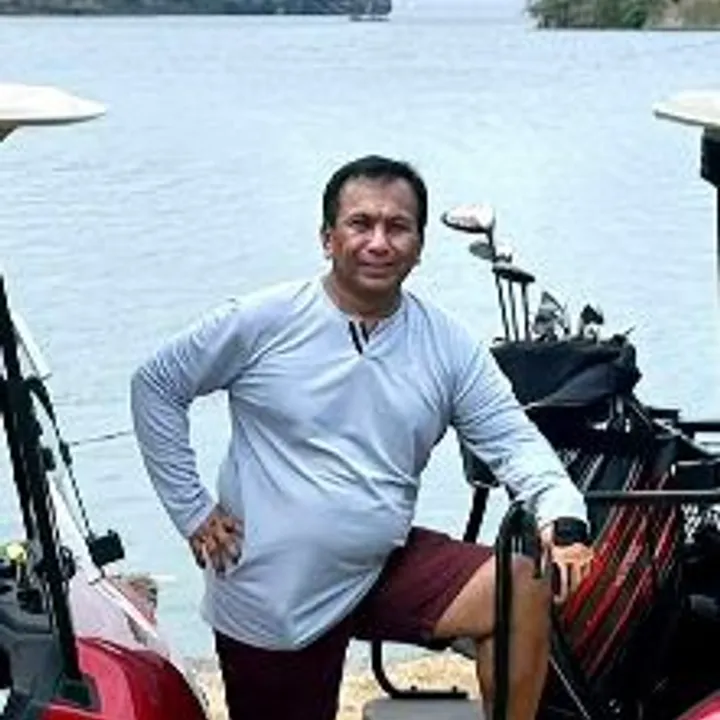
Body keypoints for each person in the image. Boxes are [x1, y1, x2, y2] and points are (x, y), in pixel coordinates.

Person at [130, 155, 594, 720]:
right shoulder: (260, 320)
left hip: (380, 565)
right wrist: (192, 510)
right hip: (273, 588)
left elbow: (513, 442)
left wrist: (561, 513)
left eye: (398, 227)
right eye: (360, 224)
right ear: (328, 238)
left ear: (419, 247)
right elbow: (156, 385)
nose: (379, 242)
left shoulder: (448, 345)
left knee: (519, 586)